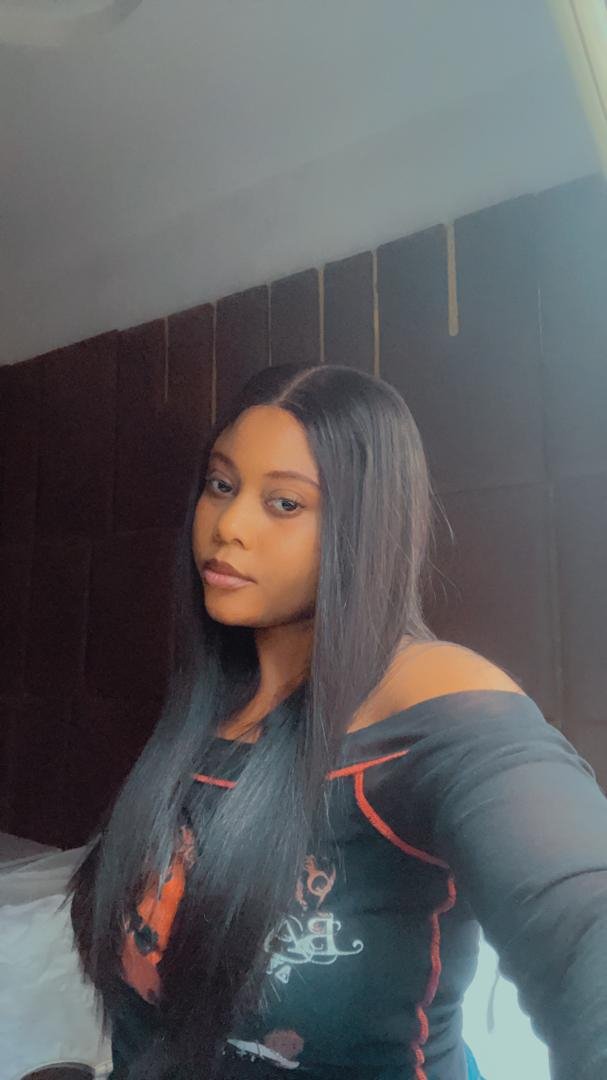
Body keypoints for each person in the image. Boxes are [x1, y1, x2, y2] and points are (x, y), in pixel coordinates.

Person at [70, 363, 607, 1080]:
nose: (228, 526)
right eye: (221, 485)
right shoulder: (209, 703)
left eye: (284, 503)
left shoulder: (434, 695)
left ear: (365, 525)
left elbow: (583, 921)